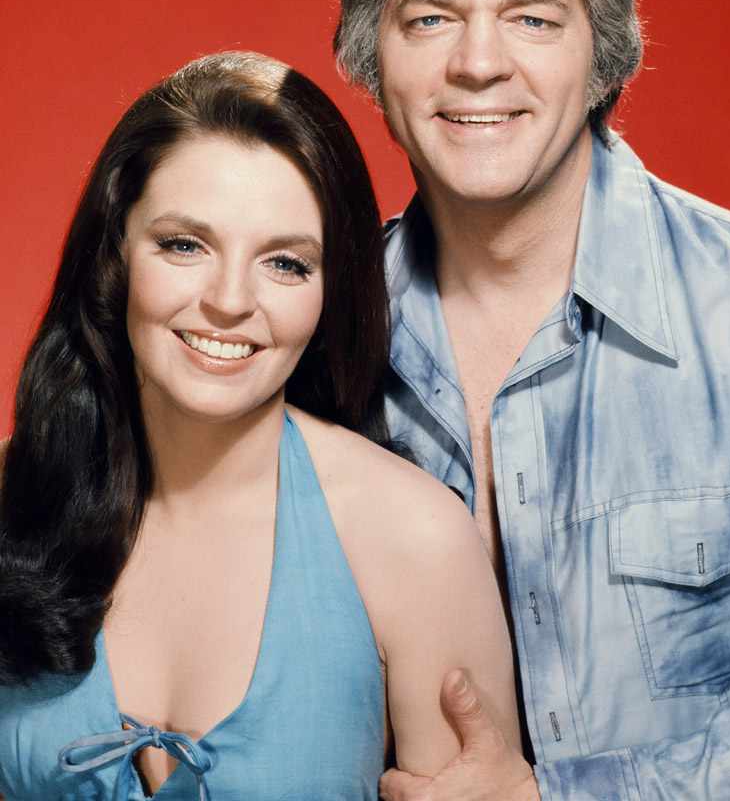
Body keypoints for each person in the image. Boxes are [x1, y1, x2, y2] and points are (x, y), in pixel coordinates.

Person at [332, 0, 730, 801]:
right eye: (431, 18)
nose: (479, 64)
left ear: (601, 56)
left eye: (531, 17)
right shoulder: (314, 349)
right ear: (370, 53)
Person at [0, 52, 519, 800]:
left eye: (286, 263)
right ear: (115, 254)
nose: (230, 301)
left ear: (331, 290)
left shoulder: (414, 541)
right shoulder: (13, 494)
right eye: (185, 245)